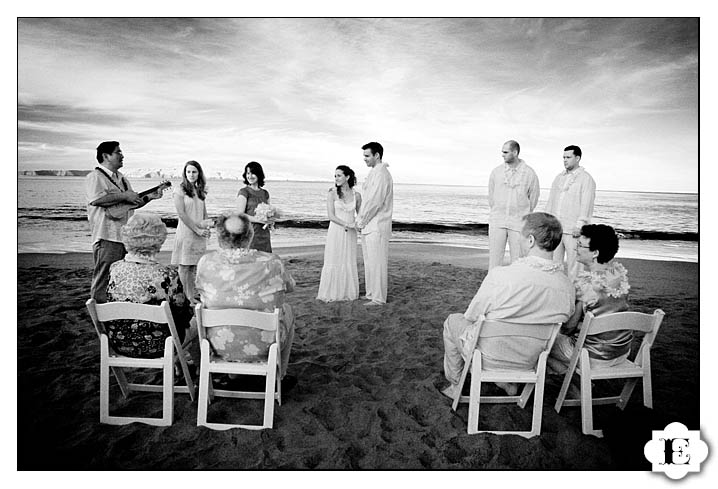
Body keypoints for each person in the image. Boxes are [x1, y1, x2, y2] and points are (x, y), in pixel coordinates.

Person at [441, 212, 575, 399]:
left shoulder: (501, 276)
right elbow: (565, 321)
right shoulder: (566, 286)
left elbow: (471, 315)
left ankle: (456, 385)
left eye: (520, 235)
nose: (519, 240)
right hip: (530, 360)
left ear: (530, 240)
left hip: (489, 358)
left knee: (453, 321)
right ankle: (507, 382)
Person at [195, 212, 295, 378]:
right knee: (288, 310)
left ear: (219, 236)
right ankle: (280, 376)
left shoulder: (206, 262)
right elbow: (290, 287)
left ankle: (226, 372)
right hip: (265, 343)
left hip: (217, 342)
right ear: (250, 235)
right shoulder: (271, 262)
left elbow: (199, 289)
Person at [105, 213, 192, 358]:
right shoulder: (166, 274)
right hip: (159, 345)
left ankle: (179, 363)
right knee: (196, 326)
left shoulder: (115, 268)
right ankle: (193, 369)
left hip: (119, 343)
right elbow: (182, 312)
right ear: (159, 239)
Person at [85, 141, 162, 303]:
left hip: (124, 237)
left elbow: (130, 204)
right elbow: (96, 200)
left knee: (119, 278)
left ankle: (115, 312)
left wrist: (149, 197)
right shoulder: (95, 177)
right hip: (107, 236)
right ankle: (99, 314)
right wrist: (125, 195)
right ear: (106, 156)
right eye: (118, 152)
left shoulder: (123, 179)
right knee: (103, 278)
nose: (122, 156)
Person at [549, 224, 631, 373]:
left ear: (595, 253)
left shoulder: (585, 284)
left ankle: (575, 387)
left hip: (593, 356)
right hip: (621, 351)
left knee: (544, 345)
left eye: (580, 246)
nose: (575, 249)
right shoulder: (620, 275)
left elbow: (568, 328)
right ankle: (575, 384)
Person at [545, 145, 596, 279]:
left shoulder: (586, 179)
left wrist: (580, 225)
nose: (565, 160)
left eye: (568, 157)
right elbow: (551, 201)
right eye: (564, 157)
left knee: (575, 267)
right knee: (554, 265)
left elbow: (587, 204)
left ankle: (575, 296)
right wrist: (548, 223)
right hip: (557, 229)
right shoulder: (559, 178)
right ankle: (557, 295)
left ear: (577, 158)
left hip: (574, 229)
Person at [487, 140, 540, 269]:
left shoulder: (529, 173)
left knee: (518, 260)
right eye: (502, 152)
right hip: (497, 221)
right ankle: (493, 286)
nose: (502, 155)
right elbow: (491, 196)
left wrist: (522, 213)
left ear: (515, 152)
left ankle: (516, 287)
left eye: (505, 152)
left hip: (518, 223)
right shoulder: (496, 172)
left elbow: (533, 197)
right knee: (494, 259)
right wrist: (498, 210)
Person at [356, 142, 394, 306]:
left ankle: (378, 297)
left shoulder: (382, 174)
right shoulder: (374, 173)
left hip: (377, 225)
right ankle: (372, 293)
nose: (364, 159)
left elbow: (375, 202)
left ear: (377, 155)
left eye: (367, 156)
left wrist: (361, 220)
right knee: (370, 261)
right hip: (369, 225)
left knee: (377, 262)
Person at [317, 165, 362, 302]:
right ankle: (332, 292)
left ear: (347, 177)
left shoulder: (357, 195)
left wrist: (359, 226)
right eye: (335, 176)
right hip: (336, 231)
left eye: (339, 175)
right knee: (334, 258)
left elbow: (361, 215)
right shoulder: (332, 194)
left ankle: (347, 292)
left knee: (348, 259)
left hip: (350, 234)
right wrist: (348, 224)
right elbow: (331, 216)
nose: (336, 178)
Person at [171, 160, 210, 305]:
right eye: (188, 172)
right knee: (184, 266)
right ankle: (184, 297)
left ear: (198, 173)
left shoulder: (200, 191)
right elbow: (182, 214)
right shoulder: (179, 190)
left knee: (194, 266)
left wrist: (207, 227)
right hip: (187, 232)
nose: (191, 174)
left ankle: (191, 295)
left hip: (199, 232)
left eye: (194, 171)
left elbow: (204, 213)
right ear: (184, 173)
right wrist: (197, 230)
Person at [237, 161, 273, 253]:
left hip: (264, 233)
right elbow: (240, 215)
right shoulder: (244, 192)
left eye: (253, 173)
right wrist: (258, 220)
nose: (250, 176)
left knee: (264, 261)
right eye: (248, 173)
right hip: (250, 233)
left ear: (259, 174)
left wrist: (271, 221)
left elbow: (269, 211)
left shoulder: (265, 193)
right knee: (250, 261)